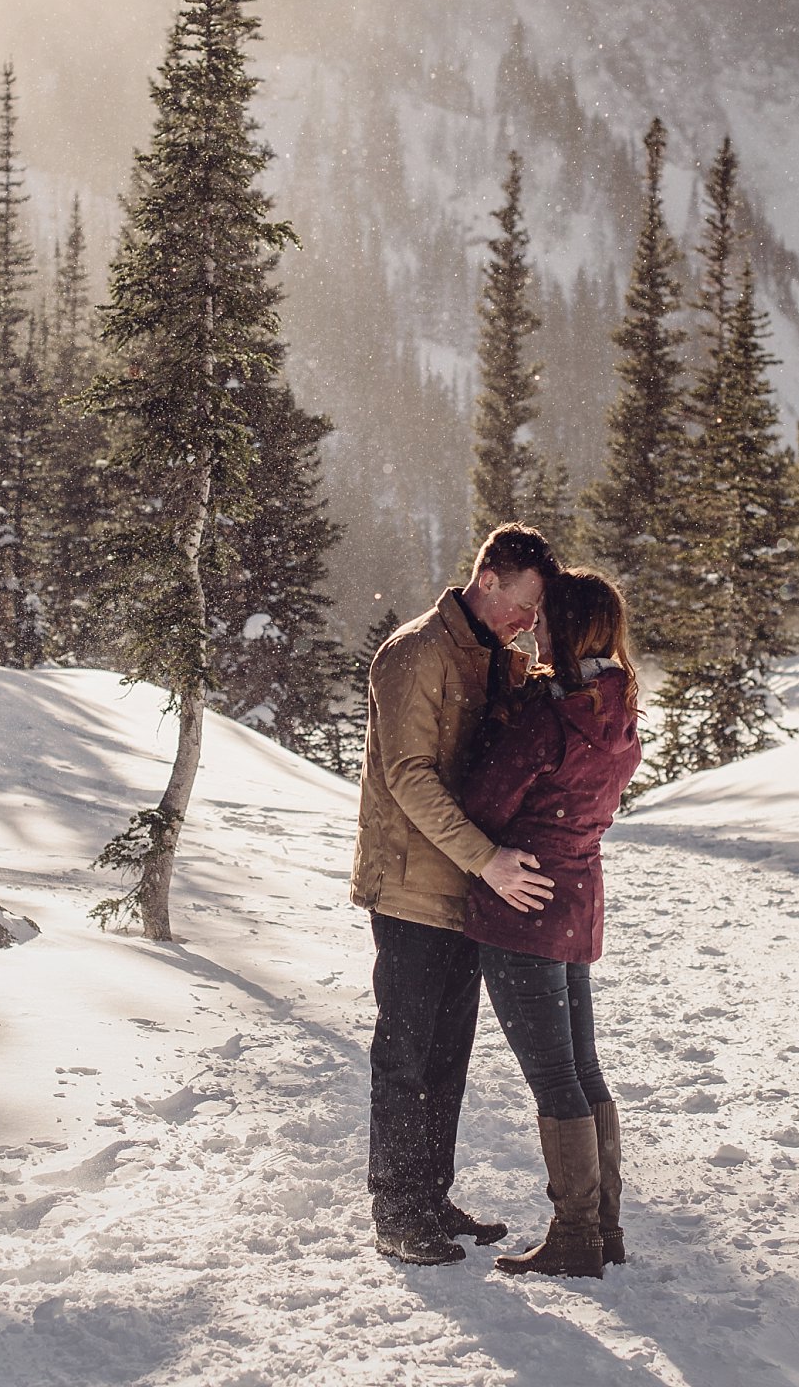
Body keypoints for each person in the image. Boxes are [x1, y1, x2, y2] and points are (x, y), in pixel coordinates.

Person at [350, 523, 561, 1266]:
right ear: (489, 579)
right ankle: (396, 1211)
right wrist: (490, 860)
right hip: (412, 886)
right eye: (525, 606)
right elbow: (408, 774)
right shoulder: (417, 652)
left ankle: (430, 1197)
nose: (529, 622)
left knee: (448, 1053)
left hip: (465, 887)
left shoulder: (488, 655)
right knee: (405, 1051)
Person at [460, 567, 641, 1279]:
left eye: (545, 618)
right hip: (577, 900)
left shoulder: (549, 716)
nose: (533, 626)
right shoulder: (616, 703)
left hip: (524, 908)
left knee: (555, 1079)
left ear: (565, 628)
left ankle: (574, 1237)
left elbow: (482, 804)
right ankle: (603, 1229)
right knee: (584, 1069)